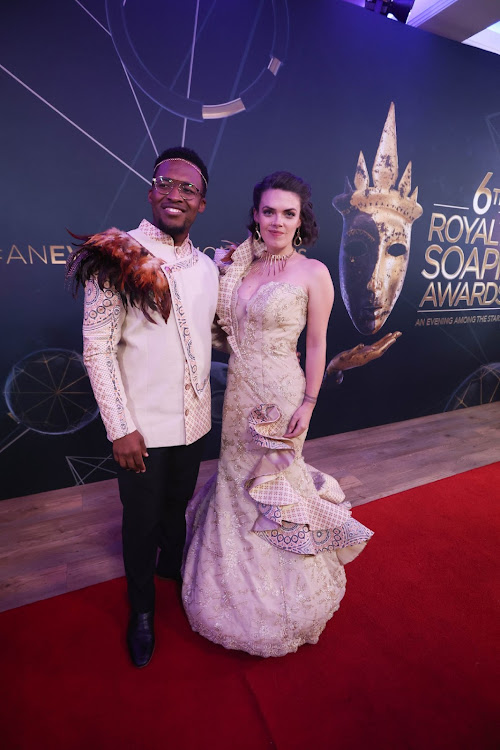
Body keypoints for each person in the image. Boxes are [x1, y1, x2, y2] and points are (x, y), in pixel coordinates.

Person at [182, 171, 374, 657]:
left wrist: (309, 402)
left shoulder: (313, 274)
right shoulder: (237, 267)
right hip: (241, 393)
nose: (277, 221)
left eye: (288, 213)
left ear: (300, 220)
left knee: (276, 487)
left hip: (284, 396)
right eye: (268, 211)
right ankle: (227, 588)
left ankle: (286, 595)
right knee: (234, 482)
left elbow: (315, 344)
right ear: (255, 214)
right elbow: (219, 329)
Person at [66, 147, 219, 668]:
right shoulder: (117, 254)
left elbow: (206, 338)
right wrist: (120, 428)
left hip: (194, 424)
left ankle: (171, 572)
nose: (175, 195)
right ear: (151, 190)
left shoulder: (207, 268)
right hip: (141, 430)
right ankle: (142, 612)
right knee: (141, 522)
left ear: (202, 202)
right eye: (166, 184)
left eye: (188, 189)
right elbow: (98, 348)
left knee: (176, 512)